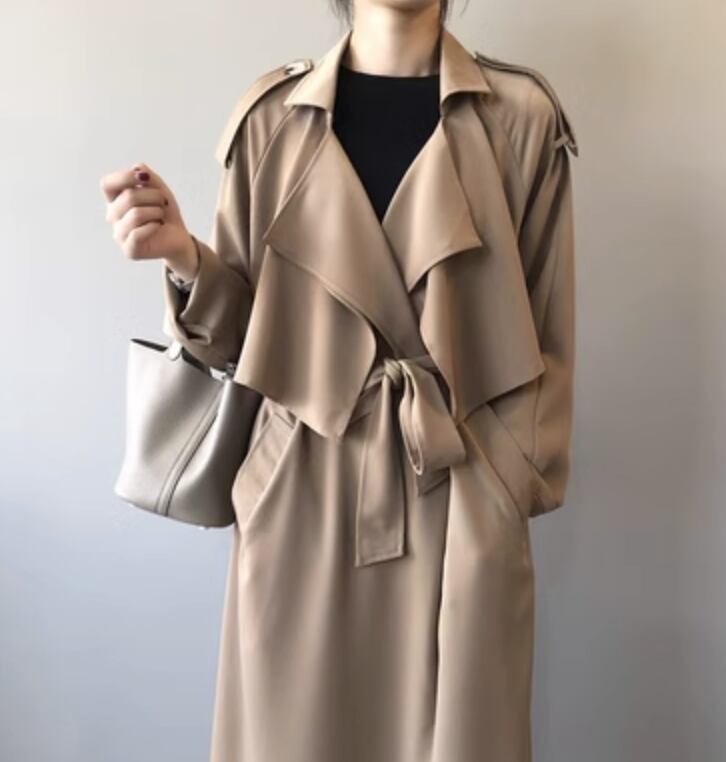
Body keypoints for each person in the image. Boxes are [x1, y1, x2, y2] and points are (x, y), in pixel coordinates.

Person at [99, 1, 578, 760]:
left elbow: (548, 343)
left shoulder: (521, 119)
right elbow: (248, 343)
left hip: (456, 489)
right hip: (299, 491)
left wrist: (501, 498)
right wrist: (185, 256)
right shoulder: (272, 119)